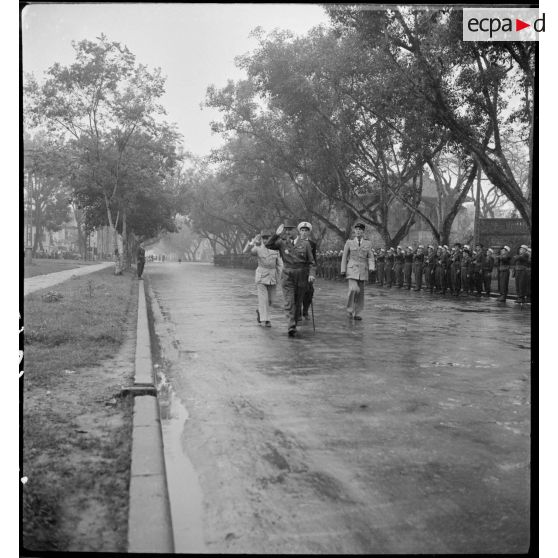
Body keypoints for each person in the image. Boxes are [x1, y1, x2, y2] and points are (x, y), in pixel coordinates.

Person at [266, 220, 316, 337]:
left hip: (302, 275)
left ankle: (294, 321)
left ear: (296, 230)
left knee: (298, 302)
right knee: (289, 302)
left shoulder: (306, 244)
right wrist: (276, 234)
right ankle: (291, 326)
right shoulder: (281, 242)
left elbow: (312, 262)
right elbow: (268, 245)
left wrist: (311, 274)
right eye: (286, 230)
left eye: (290, 229)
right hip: (287, 275)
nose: (287, 232)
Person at [244, 229, 281, 327]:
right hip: (261, 277)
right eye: (263, 238)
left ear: (271, 238)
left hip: (273, 276)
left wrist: (282, 276)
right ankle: (266, 320)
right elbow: (246, 251)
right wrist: (252, 242)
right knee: (263, 299)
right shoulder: (258, 248)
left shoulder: (276, 249)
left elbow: (279, 264)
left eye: (267, 238)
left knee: (271, 300)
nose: (265, 240)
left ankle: (261, 312)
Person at [340, 221, 375, 320]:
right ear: (354, 231)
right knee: (353, 289)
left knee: (360, 293)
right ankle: (350, 310)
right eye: (357, 230)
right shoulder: (349, 242)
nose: (358, 231)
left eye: (360, 230)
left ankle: (357, 313)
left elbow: (371, 257)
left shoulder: (368, 243)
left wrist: (372, 267)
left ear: (363, 232)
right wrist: (343, 269)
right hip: (351, 269)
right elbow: (344, 257)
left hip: (363, 270)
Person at [296, 222, 317, 322]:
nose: (304, 232)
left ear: (309, 232)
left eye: (306, 230)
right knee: (298, 292)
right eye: (302, 230)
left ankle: (305, 311)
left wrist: (312, 273)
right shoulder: (295, 242)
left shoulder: (312, 244)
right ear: (299, 231)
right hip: (297, 271)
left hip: (307, 271)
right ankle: (298, 313)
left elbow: (313, 260)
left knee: (309, 292)